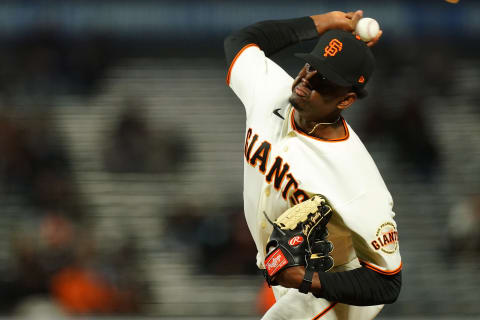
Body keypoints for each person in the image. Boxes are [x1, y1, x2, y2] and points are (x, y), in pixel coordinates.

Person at [224, 10, 402, 320]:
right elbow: (240, 41)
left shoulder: (356, 178)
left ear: (346, 100)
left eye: (322, 78)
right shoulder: (272, 93)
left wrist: (306, 280)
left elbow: (388, 283)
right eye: (309, 66)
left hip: (337, 291)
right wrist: (323, 22)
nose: (305, 80)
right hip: (288, 279)